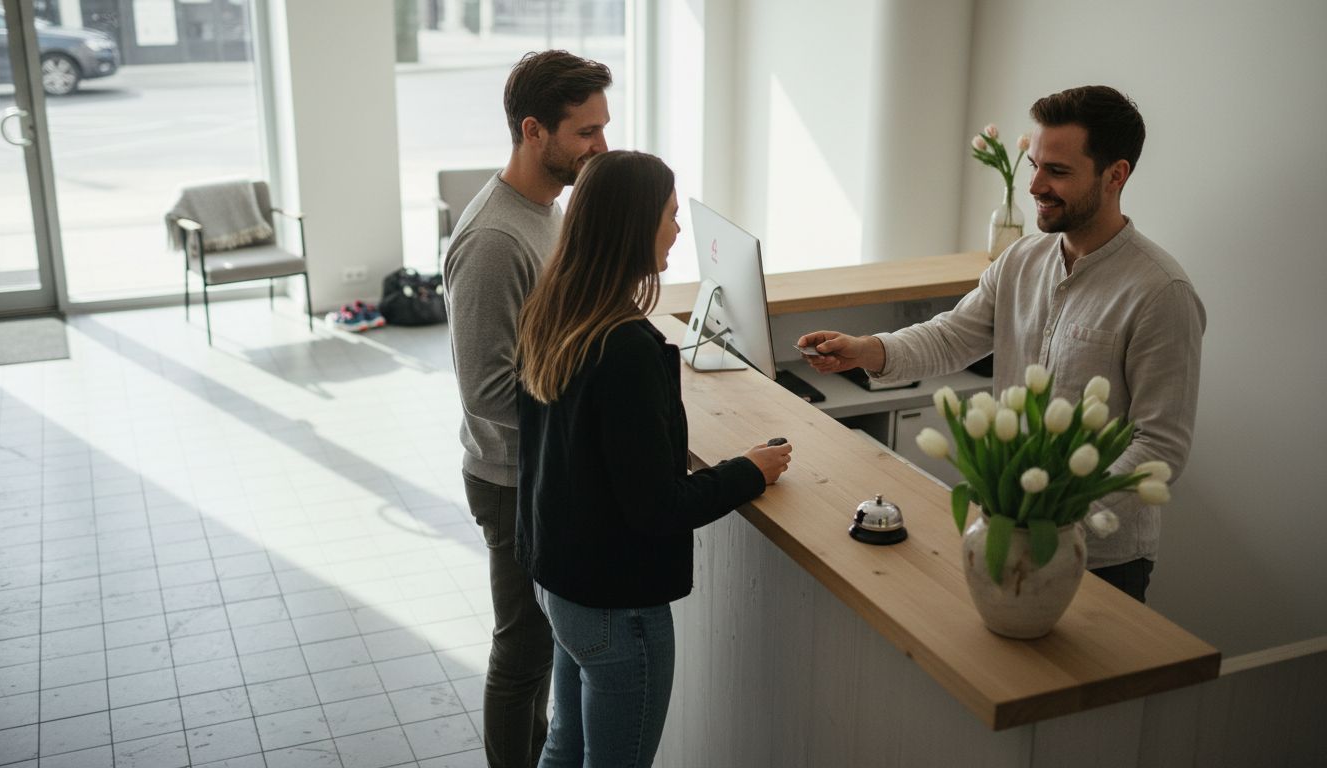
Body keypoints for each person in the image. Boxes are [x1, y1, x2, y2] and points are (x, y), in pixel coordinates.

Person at [798, 85, 1204, 603]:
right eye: (1033, 164)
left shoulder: (1161, 293)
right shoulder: (1021, 261)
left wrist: (1053, 513)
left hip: (1100, 562)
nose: (1035, 184)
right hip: (1005, 532)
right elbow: (951, 337)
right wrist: (866, 350)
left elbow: (1160, 447)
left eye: (1057, 171)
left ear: (1115, 176)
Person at [514, 150, 793, 766]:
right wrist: (750, 469)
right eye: (669, 215)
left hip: (560, 582)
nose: (677, 230)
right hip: (618, 608)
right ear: (633, 226)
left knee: (564, 745)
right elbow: (657, 508)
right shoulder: (626, 348)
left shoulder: (553, 312)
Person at [442, 50, 612, 768]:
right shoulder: (492, 240)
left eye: (604, 128)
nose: (601, 146)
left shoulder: (548, 209)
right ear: (534, 131)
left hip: (541, 472)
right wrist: (590, 406)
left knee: (545, 649)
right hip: (513, 480)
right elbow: (486, 391)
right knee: (523, 654)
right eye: (587, 132)